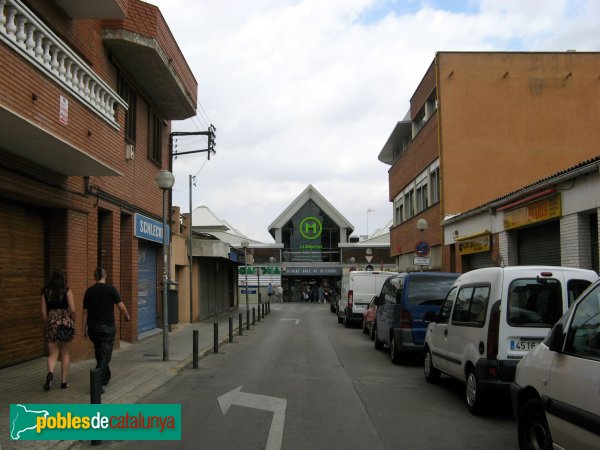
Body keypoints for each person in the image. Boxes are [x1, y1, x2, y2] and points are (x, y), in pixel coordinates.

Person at [83, 266, 130, 391]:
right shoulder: (111, 289)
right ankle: (97, 383)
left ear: (95, 277)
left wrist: (84, 329)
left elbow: (85, 313)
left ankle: (106, 376)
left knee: (100, 353)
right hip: (107, 329)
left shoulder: (89, 291)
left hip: (93, 329)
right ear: (105, 276)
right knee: (105, 356)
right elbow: (121, 307)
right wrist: (127, 316)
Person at [41, 269, 76, 391]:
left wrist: (49, 323)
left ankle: (50, 374)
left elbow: (43, 313)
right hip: (65, 324)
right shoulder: (66, 291)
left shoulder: (45, 292)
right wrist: (73, 320)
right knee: (65, 353)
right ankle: (63, 382)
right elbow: (72, 310)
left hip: (52, 323)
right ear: (63, 279)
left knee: (52, 354)